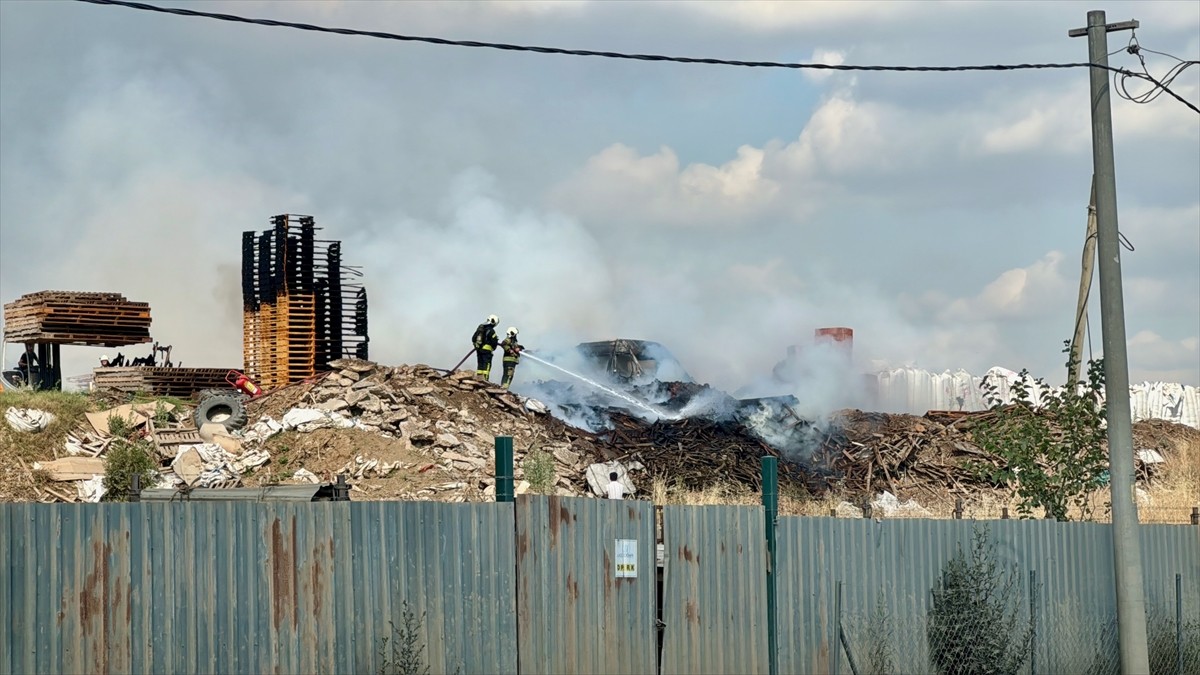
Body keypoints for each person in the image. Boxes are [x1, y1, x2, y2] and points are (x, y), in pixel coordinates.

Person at [472, 315, 500, 380]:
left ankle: (478, 379)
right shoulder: (491, 331)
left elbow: (473, 338)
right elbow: (494, 342)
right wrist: (494, 346)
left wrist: (477, 346)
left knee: (480, 364)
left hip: (479, 350)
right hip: (487, 351)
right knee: (486, 365)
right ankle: (485, 380)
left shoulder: (480, 329)